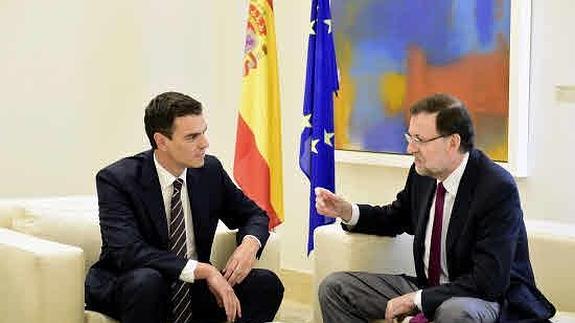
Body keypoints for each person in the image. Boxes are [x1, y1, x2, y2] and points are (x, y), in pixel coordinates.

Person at [316, 94, 555, 323]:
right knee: (335, 289)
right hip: (429, 287)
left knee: (455, 311)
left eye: (419, 140)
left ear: (453, 142)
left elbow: (488, 281)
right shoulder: (423, 174)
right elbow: (395, 217)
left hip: (486, 299)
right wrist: (347, 211)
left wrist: (418, 300)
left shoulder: (496, 188)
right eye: (409, 138)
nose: (410, 149)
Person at [85, 92, 283, 323]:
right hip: (134, 284)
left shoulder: (209, 171)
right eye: (192, 137)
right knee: (147, 282)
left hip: (193, 288)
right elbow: (127, 251)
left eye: (204, 132)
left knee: (266, 284)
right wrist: (204, 270)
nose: (204, 144)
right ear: (161, 141)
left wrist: (249, 244)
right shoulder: (118, 179)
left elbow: (254, 214)